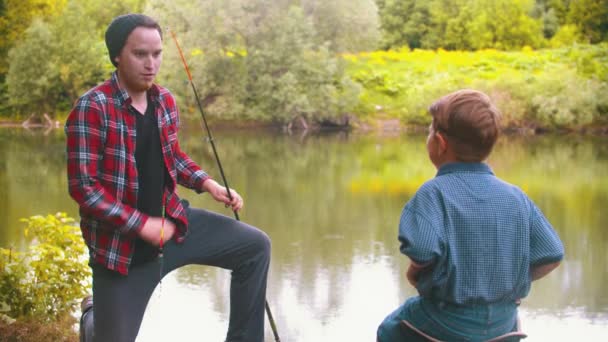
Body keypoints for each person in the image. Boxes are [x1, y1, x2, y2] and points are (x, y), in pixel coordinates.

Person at [65, 14, 271, 342]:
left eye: (157, 54)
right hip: (121, 249)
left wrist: (209, 184)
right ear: (117, 55)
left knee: (255, 246)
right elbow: (84, 188)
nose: (151, 63)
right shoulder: (92, 107)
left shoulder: (164, 101)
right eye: (140, 54)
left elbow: (172, 157)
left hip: (174, 226)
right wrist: (142, 225)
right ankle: (93, 316)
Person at [376, 89, 565, 341]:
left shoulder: (433, 193)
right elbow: (552, 254)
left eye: (430, 131)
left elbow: (421, 249)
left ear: (440, 143)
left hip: (445, 319)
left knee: (389, 330)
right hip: (503, 323)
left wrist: (414, 270)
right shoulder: (516, 196)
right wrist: (511, 282)